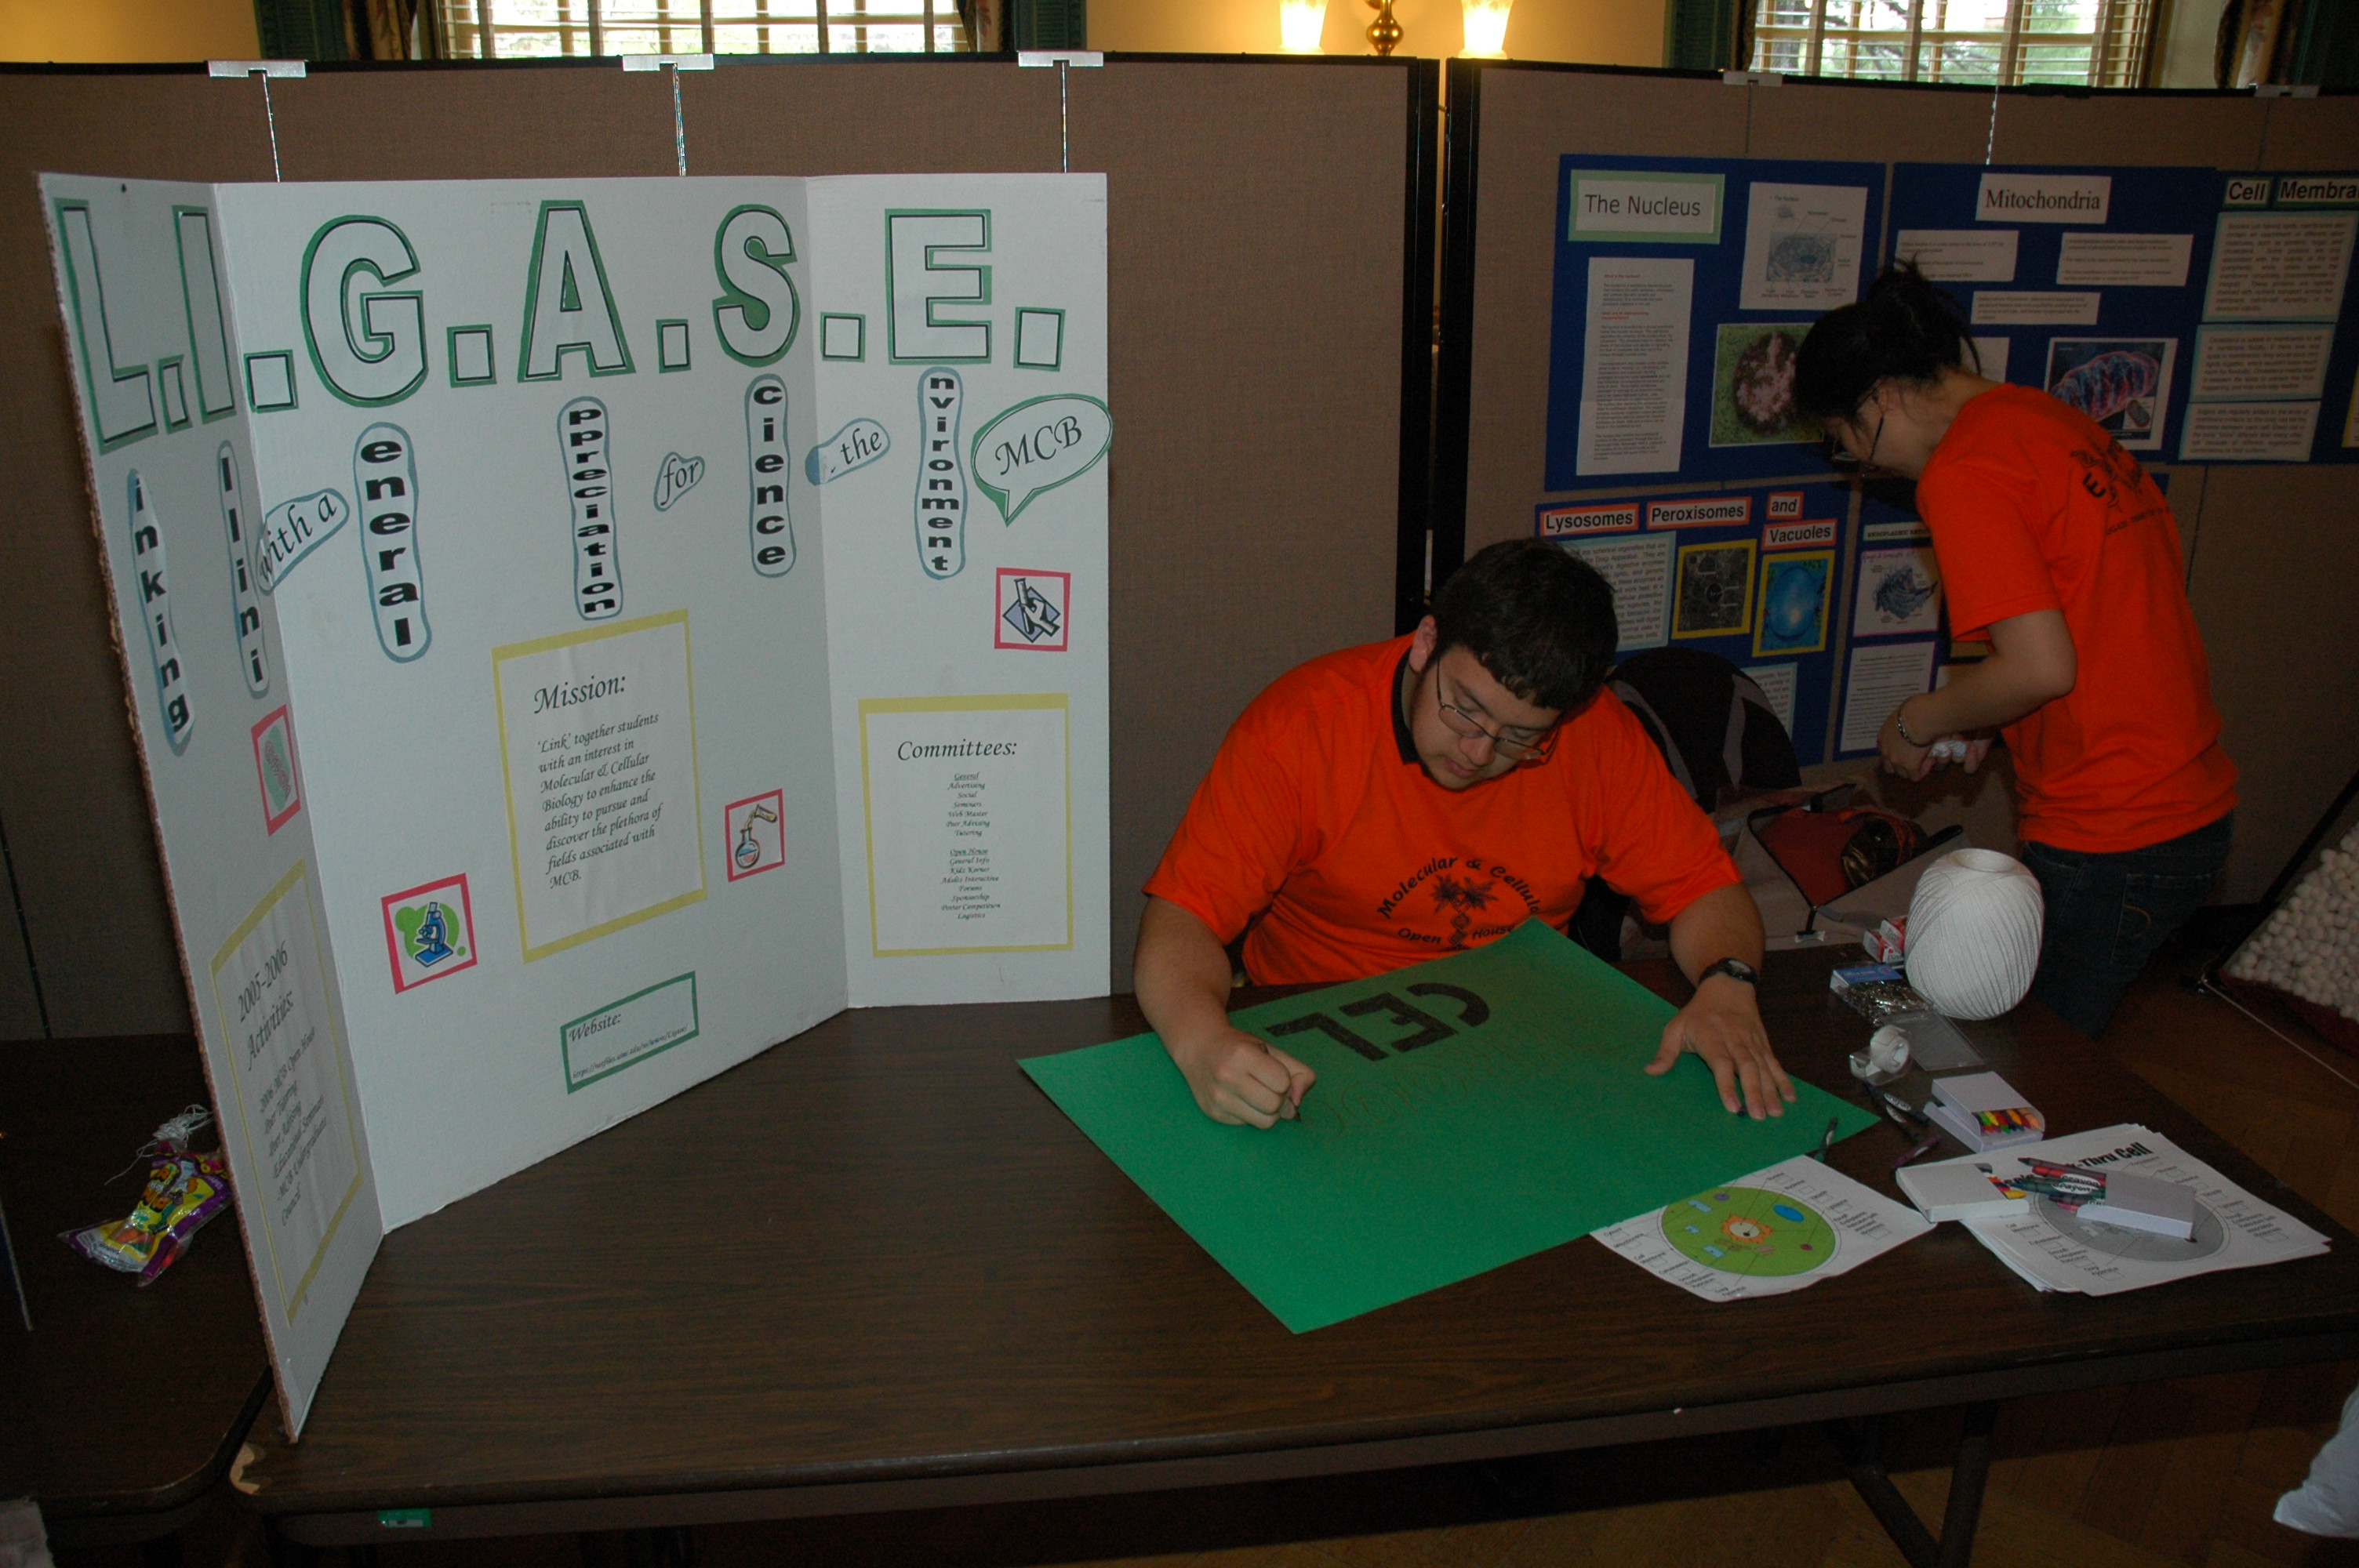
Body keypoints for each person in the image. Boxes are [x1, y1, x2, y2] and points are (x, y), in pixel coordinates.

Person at [1135, 539, 1796, 1128]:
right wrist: (1203, 1042)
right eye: (1465, 709)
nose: (1478, 753)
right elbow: (1182, 920)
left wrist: (1729, 982)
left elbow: (1705, 889)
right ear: (1427, 642)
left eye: (1521, 737)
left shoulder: (1596, 740)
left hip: (1520, 1042)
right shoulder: (1302, 729)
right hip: (1322, 1040)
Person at [1794, 263, 2237, 1038]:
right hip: (2183, 799)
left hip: (2112, 822)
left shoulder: (1964, 469)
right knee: (2044, 1047)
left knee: (2031, 1062)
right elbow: (2092, 618)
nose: (1867, 466)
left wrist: (1918, 720)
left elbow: (2040, 668)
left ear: (1881, 397)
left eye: (1847, 442)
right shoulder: (2044, 421)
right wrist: (1990, 718)